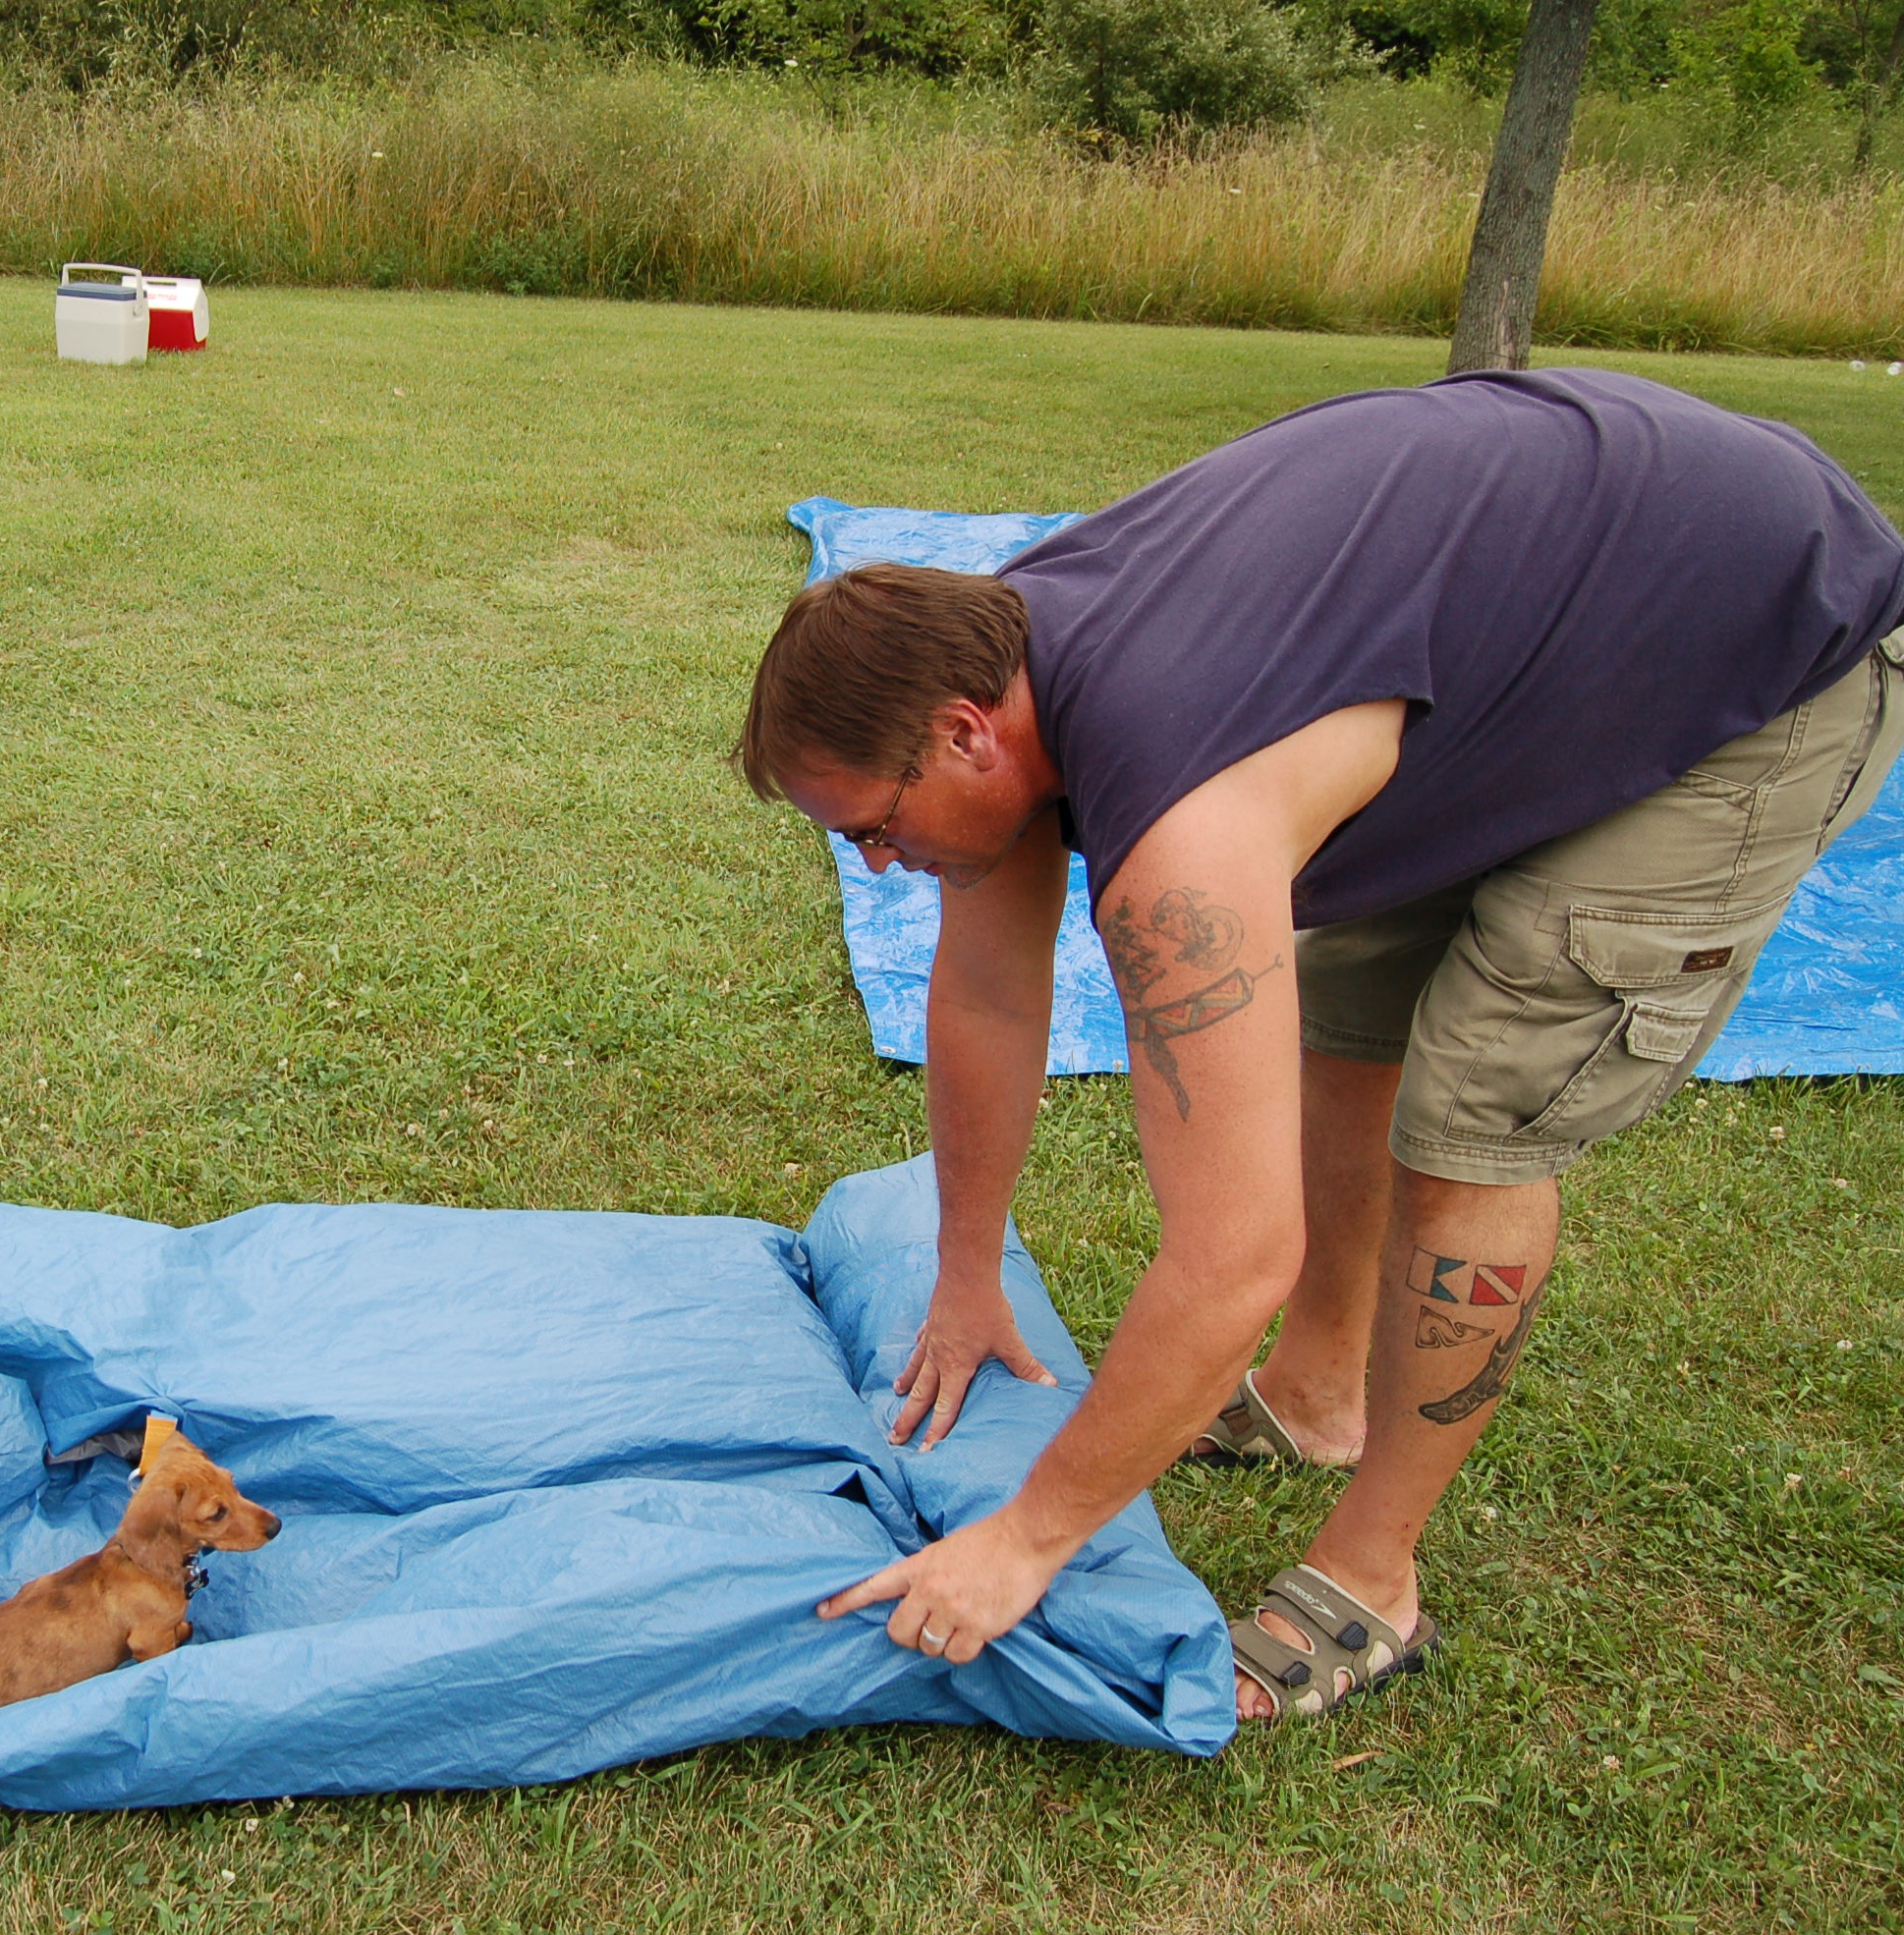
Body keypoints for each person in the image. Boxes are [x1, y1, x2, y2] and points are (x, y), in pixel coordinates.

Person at [740, 368, 1904, 1720]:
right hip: (1550, 597)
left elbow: (1233, 1258)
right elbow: (991, 999)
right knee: (1349, 1016)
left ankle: (1373, 1579)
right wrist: (962, 1275)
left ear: (962, 732)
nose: (879, 866)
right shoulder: (997, 670)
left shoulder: (1184, 826)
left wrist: (1025, 1538)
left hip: (1760, 636)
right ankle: (1317, 1393)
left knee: (1475, 1113)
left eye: (874, 825)